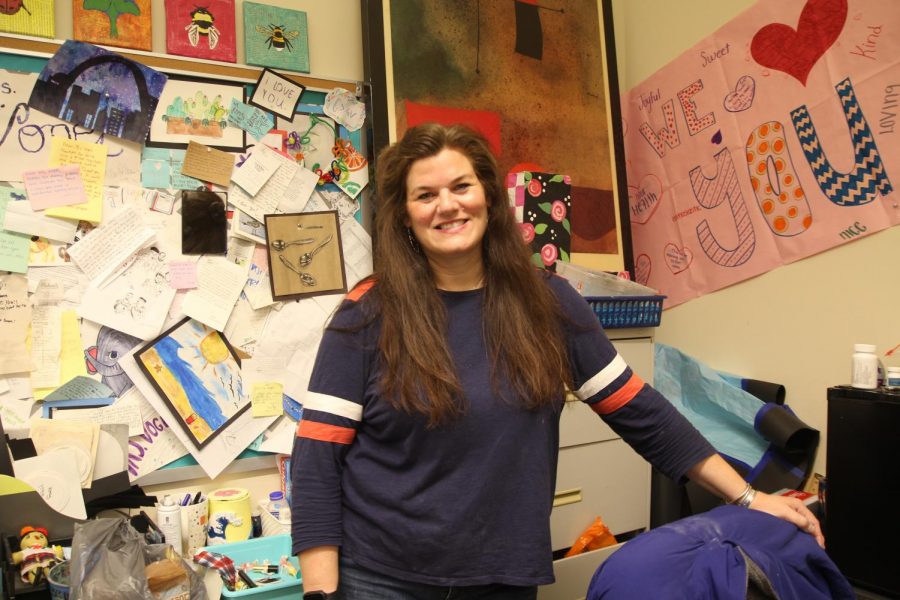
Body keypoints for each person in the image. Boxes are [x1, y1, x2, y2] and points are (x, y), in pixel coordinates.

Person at [289, 123, 823, 600]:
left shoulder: (549, 303)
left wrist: (750, 498)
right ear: (405, 216)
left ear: (490, 199)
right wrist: (320, 593)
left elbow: (642, 413)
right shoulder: (366, 314)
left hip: (504, 574)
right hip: (381, 577)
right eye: (424, 195)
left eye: (460, 187)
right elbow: (316, 460)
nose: (446, 205)